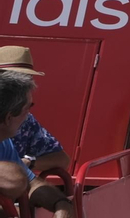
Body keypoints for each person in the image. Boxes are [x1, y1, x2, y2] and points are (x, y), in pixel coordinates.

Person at [0, 72, 74, 217]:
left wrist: (61, 204)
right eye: (28, 108)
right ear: (9, 117)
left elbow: (31, 183)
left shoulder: (4, 142)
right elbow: (16, 181)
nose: (29, 115)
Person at [0, 46, 68, 176]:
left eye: (27, 79)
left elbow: (62, 159)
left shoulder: (25, 118)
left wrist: (28, 162)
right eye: (14, 80)